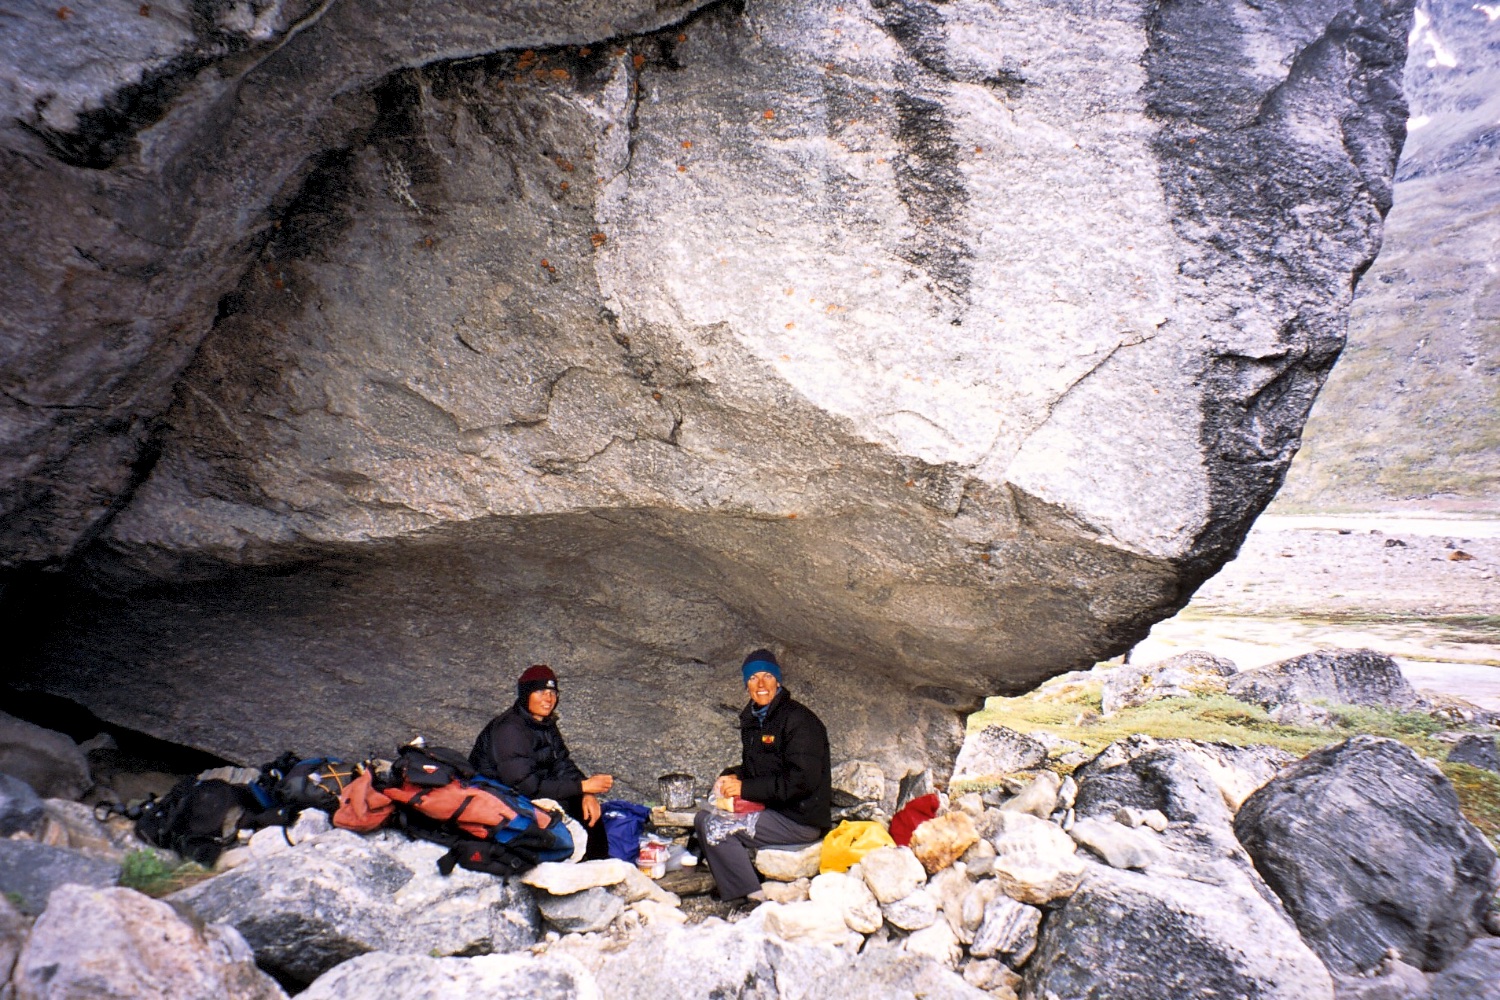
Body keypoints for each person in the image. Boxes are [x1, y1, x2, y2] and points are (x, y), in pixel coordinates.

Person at [694, 649, 832, 908]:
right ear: (746, 684)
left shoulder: (799, 721)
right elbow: (760, 767)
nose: (760, 685)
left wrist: (745, 788)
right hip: (775, 809)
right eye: (753, 678)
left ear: (778, 681)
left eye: (767, 676)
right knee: (702, 817)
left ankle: (751, 899)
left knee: (717, 827)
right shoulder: (756, 719)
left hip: (798, 818)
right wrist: (732, 775)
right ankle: (739, 884)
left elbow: (801, 781)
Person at [469, 664, 614, 860]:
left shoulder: (544, 724)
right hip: (504, 799)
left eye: (552, 692)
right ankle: (582, 868)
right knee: (567, 811)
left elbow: (562, 763)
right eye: (540, 691)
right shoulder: (509, 730)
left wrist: (587, 792)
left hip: (530, 792)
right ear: (525, 695)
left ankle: (599, 871)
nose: (548, 698)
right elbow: (525, 786)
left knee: (586, 809)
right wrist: (581, 786)